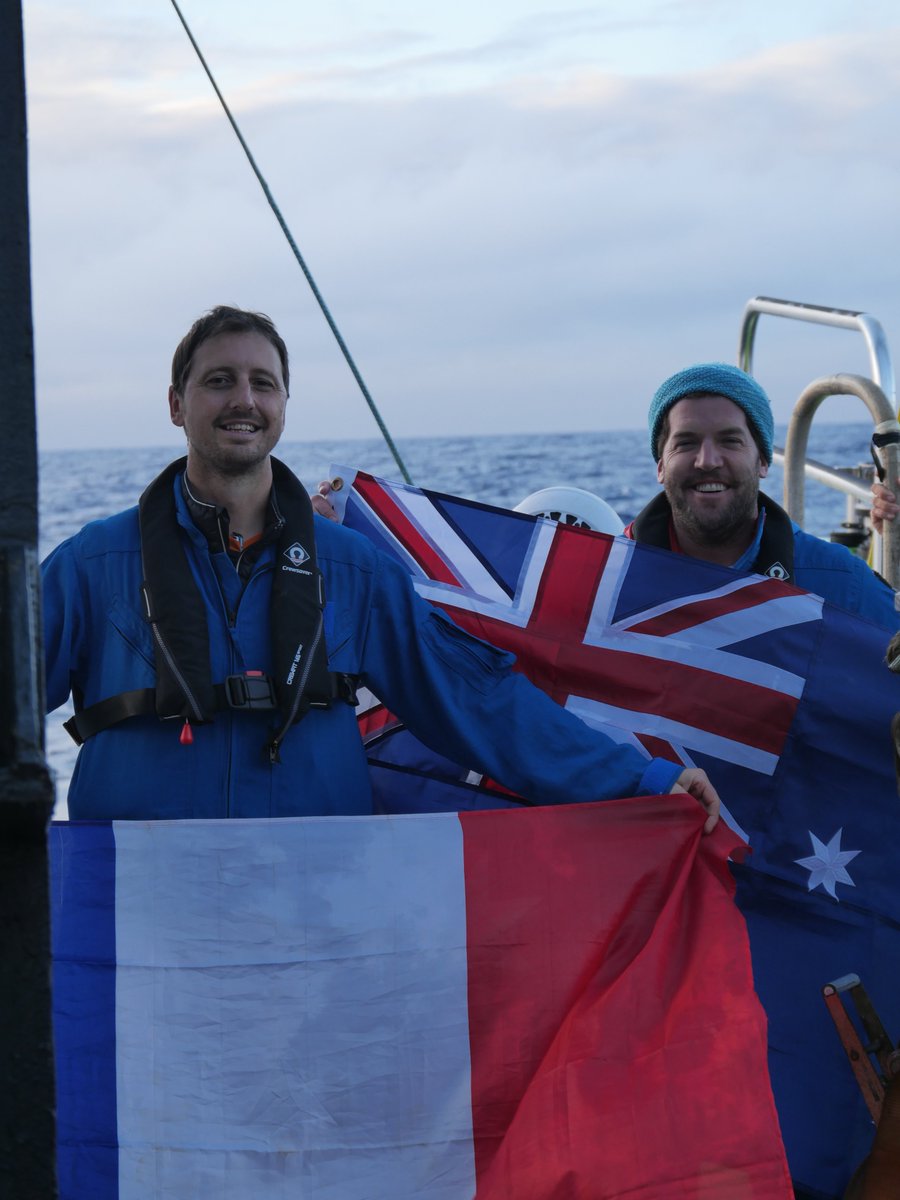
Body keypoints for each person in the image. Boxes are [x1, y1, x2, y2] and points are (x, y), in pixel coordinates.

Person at [42, 306, 719, 829]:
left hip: (312, 904)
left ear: (282, 406)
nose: (243, 399)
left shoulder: (356, 573)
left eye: (263, 383)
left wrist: (644, 780)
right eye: (219, 381)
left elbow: (476, 703)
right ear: (175, 405)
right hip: (135, 916)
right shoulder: (89, 567)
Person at [625, 362, 898, 625]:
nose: (707, 460)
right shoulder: (610, 579)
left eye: (730, 441)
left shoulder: (840, 586)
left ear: (763, 462)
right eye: (686, 443)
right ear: (661, 466)